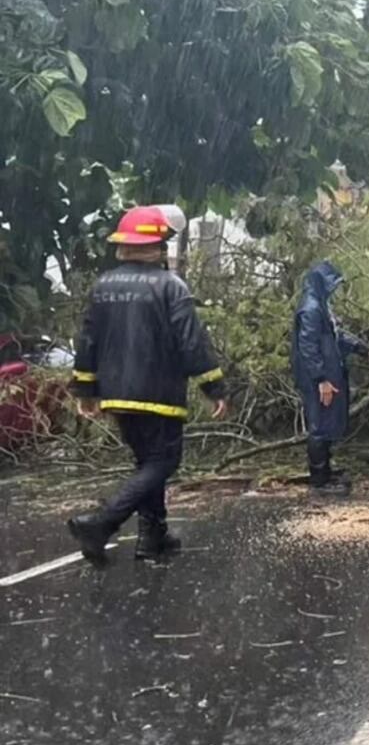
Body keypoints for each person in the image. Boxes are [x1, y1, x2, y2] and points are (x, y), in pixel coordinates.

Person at [66, 206, 228, 562]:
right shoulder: (171, 286)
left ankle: (152, 537)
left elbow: (88, 341)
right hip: (160, 394)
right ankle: (102, 522)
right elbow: (191, 342)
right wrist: (213, 387)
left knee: (148, 464)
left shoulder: (103, 286)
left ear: (123, 245)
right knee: (163, 462)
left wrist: (85, 389)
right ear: (157, 246)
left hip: (117, 395)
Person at [291, 260, 369, 497]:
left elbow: (334, 339)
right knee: (319, 425)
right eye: (331, 284)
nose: (334, 288)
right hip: (317, 378)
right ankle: (319, 481)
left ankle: (325, 472)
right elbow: (308, 347)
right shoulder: (311, 309)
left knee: (328, 423)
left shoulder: (321, 305)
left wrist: (361, 348)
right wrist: (321, 380)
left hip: (327, 373)